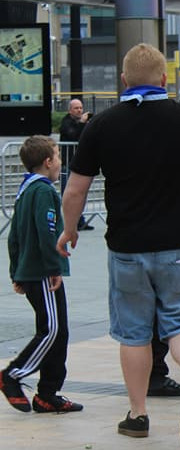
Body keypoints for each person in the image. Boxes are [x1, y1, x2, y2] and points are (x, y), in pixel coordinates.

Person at [56, 43, 180, 444]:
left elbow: (75, 190)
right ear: (164, 79)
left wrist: (70, 229)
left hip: (127, 247)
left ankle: (138, 415)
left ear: (123, 80)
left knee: (134, 332)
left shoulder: (102, 125)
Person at [0, 136, 83, 414]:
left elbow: (14, 236)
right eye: (57, 157)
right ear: (48, 162)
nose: (59, 162)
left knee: (59, 331)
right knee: (52, 330)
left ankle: (48, 394)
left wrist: (16, 271)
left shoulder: (25, 190)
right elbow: (47, 233)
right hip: (43, 272)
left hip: (31, 270)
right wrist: (53, 267)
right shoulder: (44, 191)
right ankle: (12, 375)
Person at [58, 99, 94, 231]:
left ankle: (80, 220)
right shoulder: (66, 122)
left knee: (79, 194)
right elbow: (73, 135)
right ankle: (71, 223)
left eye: (80, 108)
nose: (79, 110)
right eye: (76, 108)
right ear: (70, 110)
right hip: (68, 162)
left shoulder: (82, 123)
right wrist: (82, 123)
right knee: (69, 193)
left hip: (79, 162)